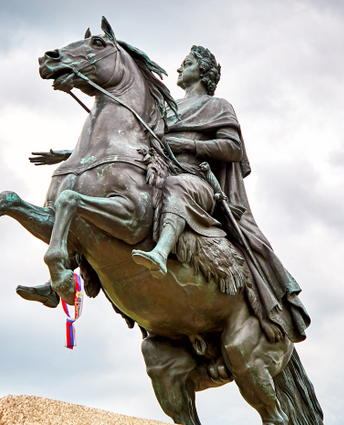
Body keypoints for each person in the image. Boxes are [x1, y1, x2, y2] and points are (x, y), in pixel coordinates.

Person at [131, 46, 310, 343]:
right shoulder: (165, 108)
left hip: (195, 182)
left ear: (202, 72)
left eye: (186, 64)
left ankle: (161, 252)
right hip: (158, 175)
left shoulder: (218, 106)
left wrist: (190, 146)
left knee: (177, 187)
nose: (178, 69)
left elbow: (232, 148)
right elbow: (137, 144)